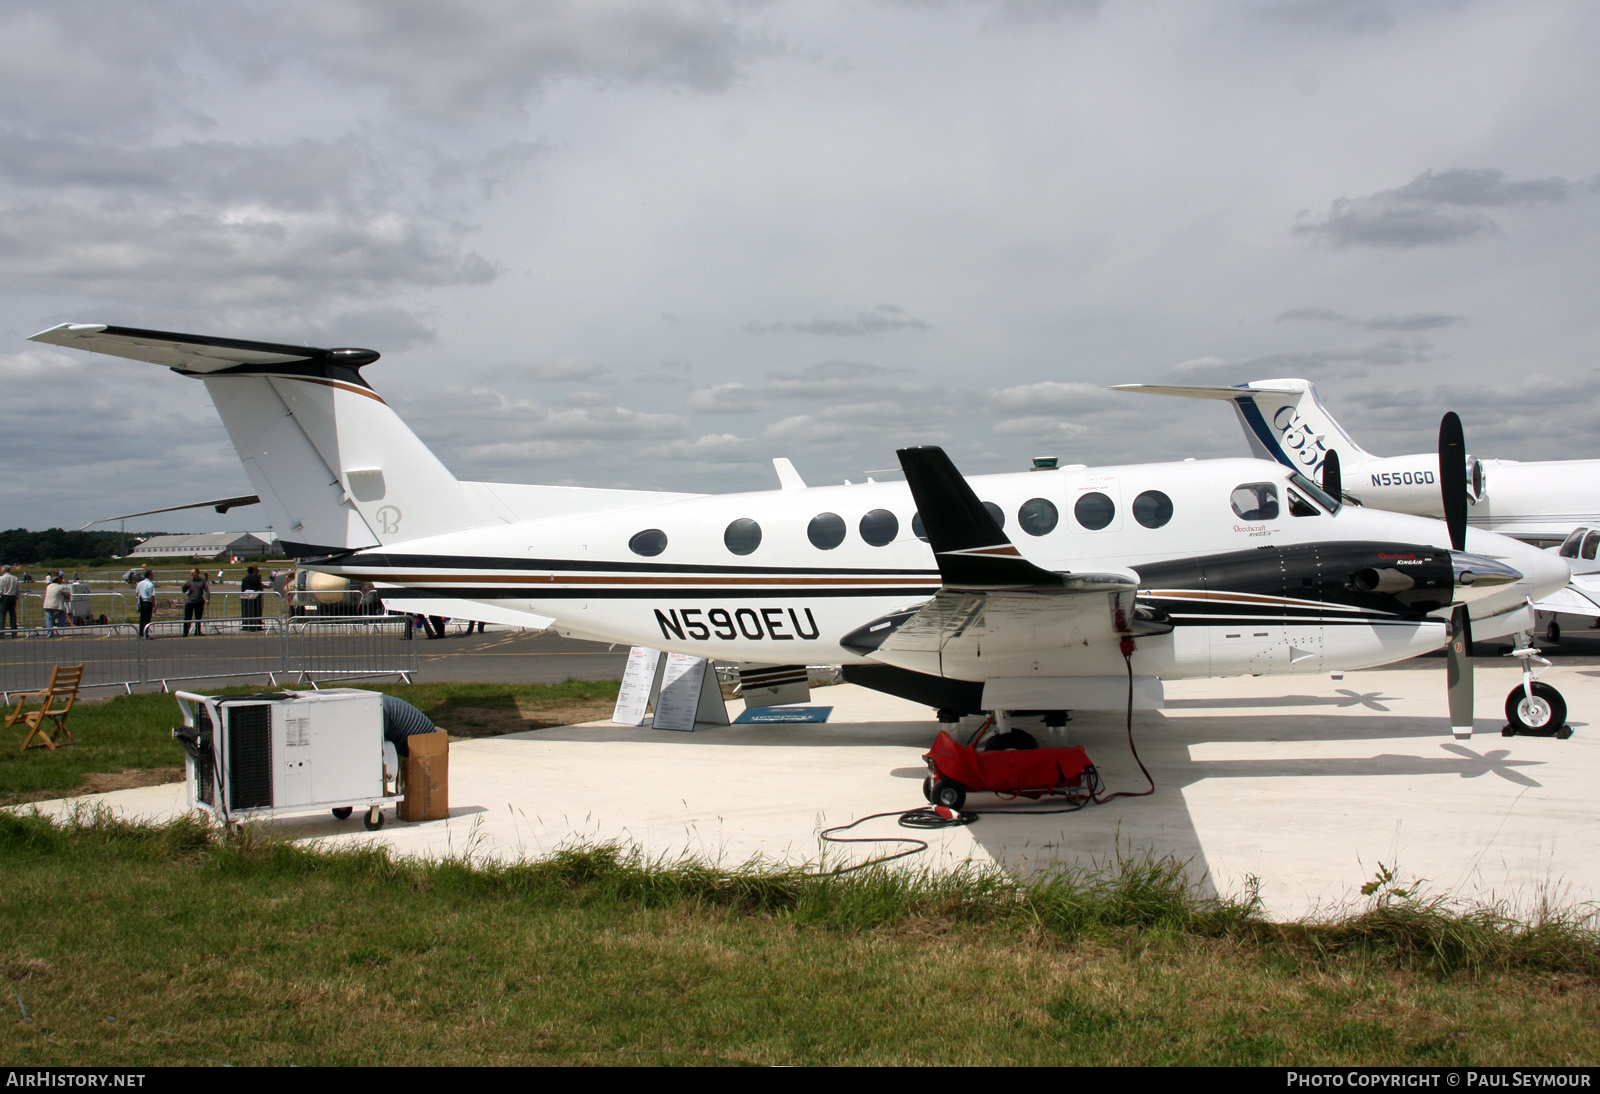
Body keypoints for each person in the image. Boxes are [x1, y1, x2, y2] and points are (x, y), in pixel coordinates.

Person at [181, 568, 210, 636]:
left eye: (192, 573)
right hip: (190, 602)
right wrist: (184, 585)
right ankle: (185, 632)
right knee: (187, 618)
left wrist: (207, 599)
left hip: (199, 602)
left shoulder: (202, 581)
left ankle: (197, 631)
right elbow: (184, 590)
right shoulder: (189, 581)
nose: (191, 575)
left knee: (198, 618)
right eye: (191, 573)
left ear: (197, 573)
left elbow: (207, 591)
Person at [42, 572, 70, 637]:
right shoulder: (60, 587)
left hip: (47, 604)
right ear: (58, 580)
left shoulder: (48, 586)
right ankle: (60, 625)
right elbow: (67, 593)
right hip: (56, 605)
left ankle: (50, 633)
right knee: (63, 613)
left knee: (49, 618)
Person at [240, 565, 264, 632]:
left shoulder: (244, 579)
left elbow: (243, 588)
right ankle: (257, 625)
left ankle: (246, 624)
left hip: (246, 597)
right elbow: (258, 588)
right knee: (256, 611)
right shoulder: (256, 578)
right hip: (255, 597)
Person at [135, 568, 156, 638]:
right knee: (147, 619)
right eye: (152, 575)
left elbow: (137, 593)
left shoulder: (140, 583)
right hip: (147, 602)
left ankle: (141, 632)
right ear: (149, 575)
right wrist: (154, 605)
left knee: (142, 618)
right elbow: (151, 596)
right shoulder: (150, 584)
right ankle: (145, 634)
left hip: (141, 601)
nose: (153, 576)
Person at [0, 565, 18, 635]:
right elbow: (18, 589)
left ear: (3, 571)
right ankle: (14, 632)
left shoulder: (1, 578)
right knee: (13, 615)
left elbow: (0, 589)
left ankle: (2, 632)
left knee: (2, 616)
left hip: (5, 597)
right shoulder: (15, 578)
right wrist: (17, 596)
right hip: (12, 597)